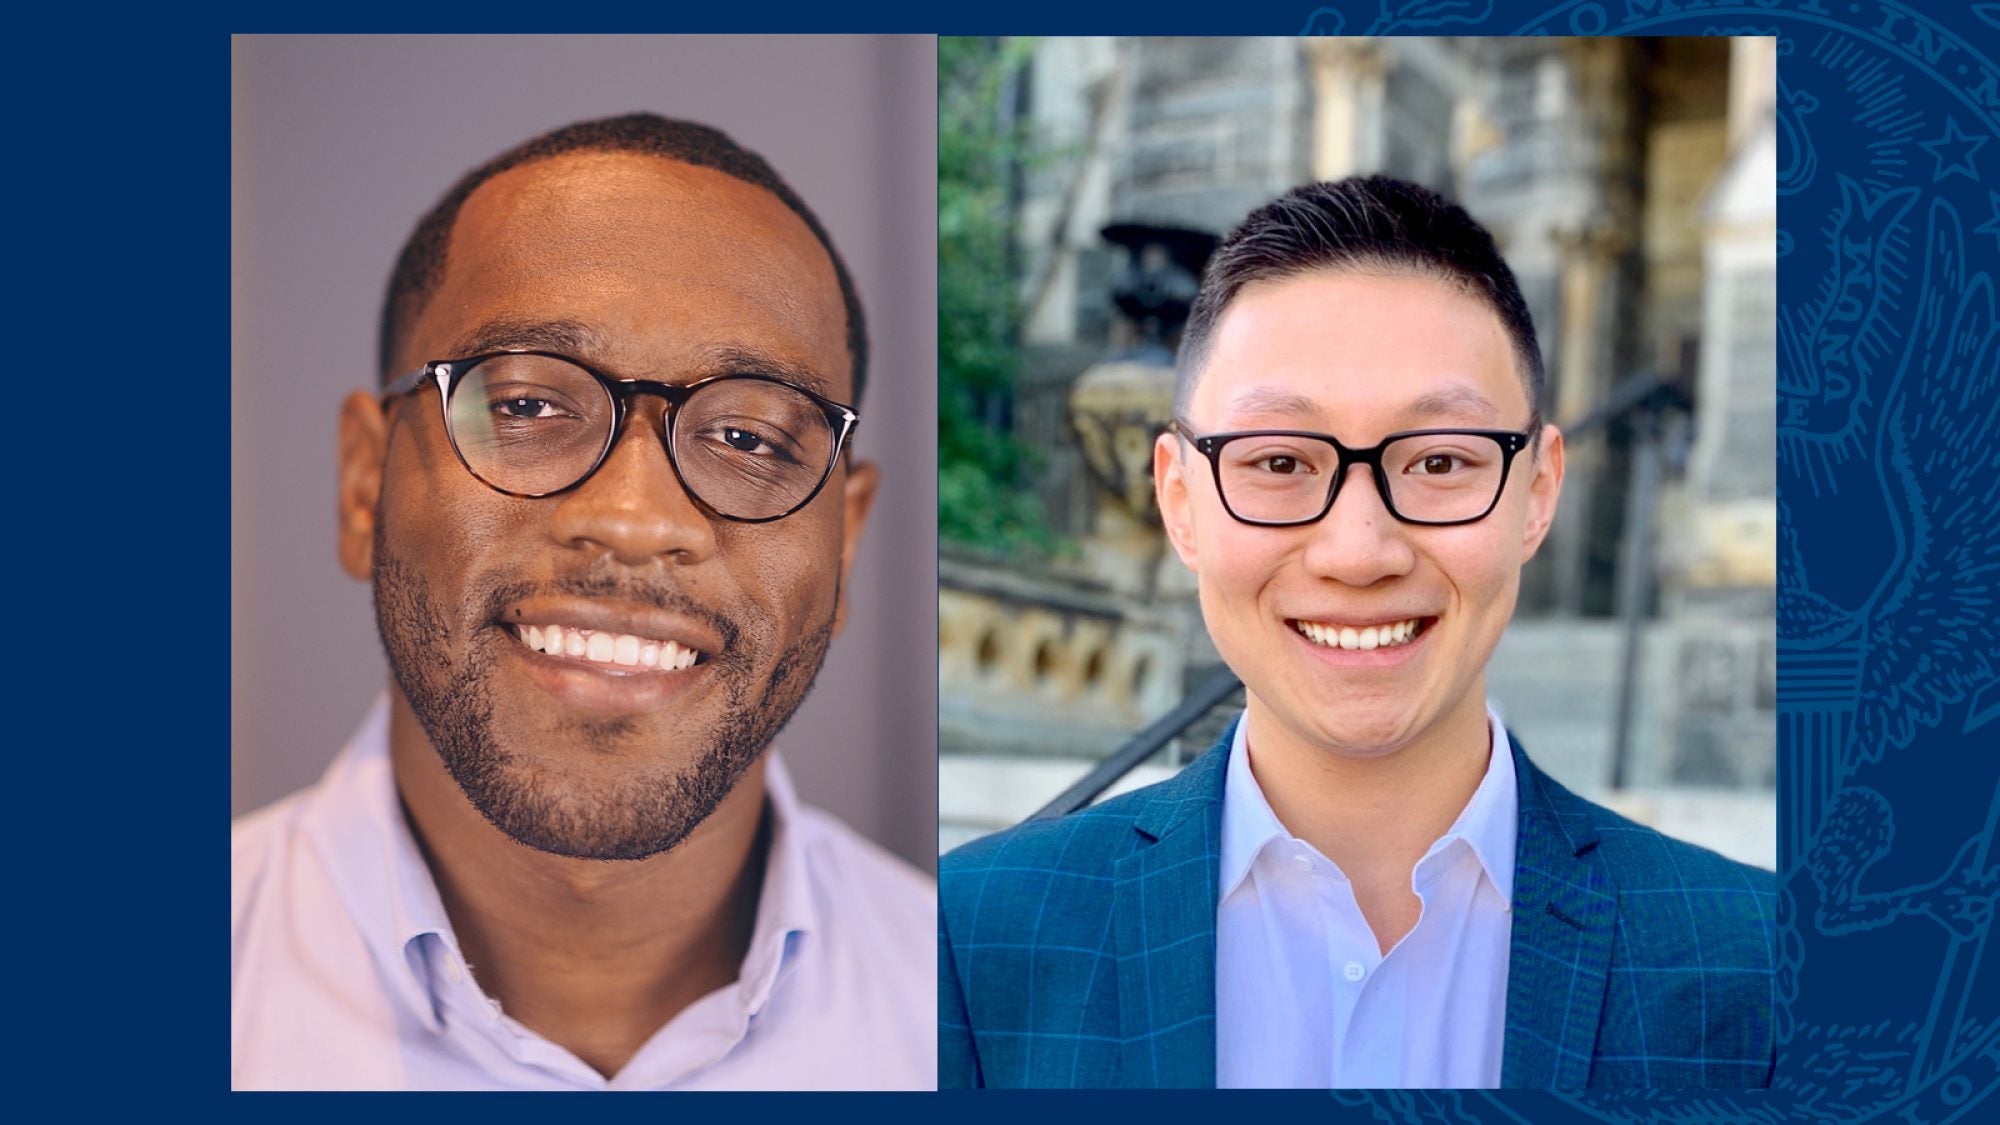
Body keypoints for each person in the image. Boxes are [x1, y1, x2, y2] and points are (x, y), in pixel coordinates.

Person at [938, 175, 1775, 1090]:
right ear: (1179, 499)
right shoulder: (970, 945)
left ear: (1537, 493)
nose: (1359, 550)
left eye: (1442, 460)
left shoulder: (1761, 967)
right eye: (1282, 461)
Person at [232, 113, 933, 1090]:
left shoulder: (975, 1009)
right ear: (364, 482)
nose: (638, 521)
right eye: (524, 405)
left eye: (749, 440)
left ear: (845, 541)